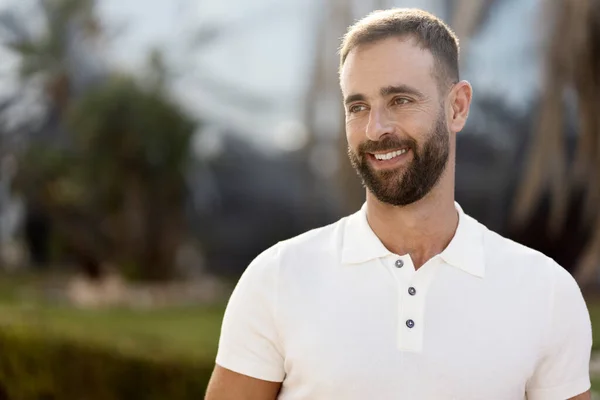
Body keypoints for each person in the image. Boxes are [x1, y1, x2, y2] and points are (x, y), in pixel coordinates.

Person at [205, 8, 592, 400]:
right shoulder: (276, 279)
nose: (376, 129)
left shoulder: (546, 293)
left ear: (457, 107)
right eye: (358, 107)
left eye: (400, 100)